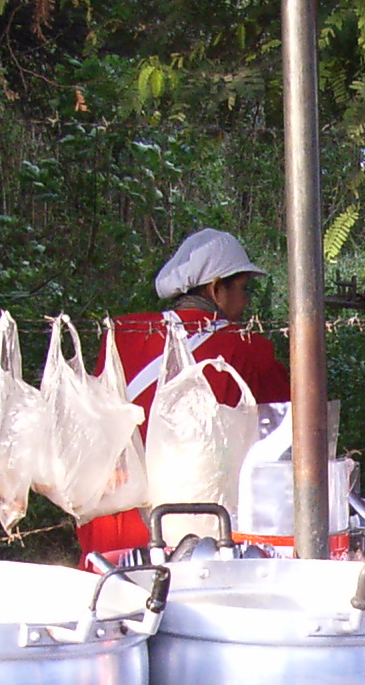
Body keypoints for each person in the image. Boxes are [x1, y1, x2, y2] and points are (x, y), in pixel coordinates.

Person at [76, 227, 290, 564]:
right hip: (190, 531)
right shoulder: (248, 349)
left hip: (113, 517)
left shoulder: (123, 333)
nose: (247, 301)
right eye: (243, 288)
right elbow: (285, 435)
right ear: (216, 288)